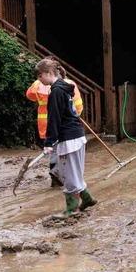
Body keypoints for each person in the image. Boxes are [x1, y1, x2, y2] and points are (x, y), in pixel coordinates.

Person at [36, 58, 97, 216]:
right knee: (74, 172)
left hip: (69, 139)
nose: (39, 79)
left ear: (49, 73)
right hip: (77, 135)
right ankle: (87, 198)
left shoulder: (56, 91)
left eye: (40, 75)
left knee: (67, 174)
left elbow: (54, 118)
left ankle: (71, 209)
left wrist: (49, 142)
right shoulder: (64, 87)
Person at [26, 67, 84, 187]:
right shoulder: (69, 84)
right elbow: (78, 106)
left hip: (45, 125)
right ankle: (64, 179)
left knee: (54, 150)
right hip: (64, 127)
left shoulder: (37, 83)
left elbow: (30, 95)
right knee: (64, 155)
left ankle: (57, 175)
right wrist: (74, 116)